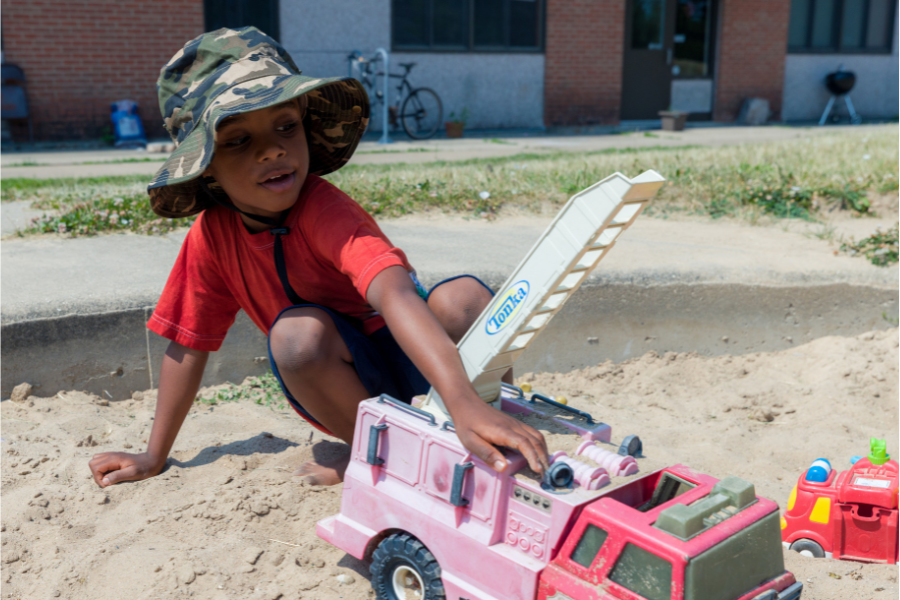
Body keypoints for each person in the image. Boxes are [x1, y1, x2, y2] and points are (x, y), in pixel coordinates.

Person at [89, 27, 548, 488]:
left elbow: (393, 291)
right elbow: (188, 342)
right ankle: (374, 453)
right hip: (347, 389)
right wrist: (153, 454)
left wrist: (463, 400)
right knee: (295, 338)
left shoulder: (324, 208)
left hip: (424, 365)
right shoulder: (211, 239)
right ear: (205, 164)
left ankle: (494, 416)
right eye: (237, 140)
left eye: (285, 126)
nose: (272, 149)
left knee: (462, 298)